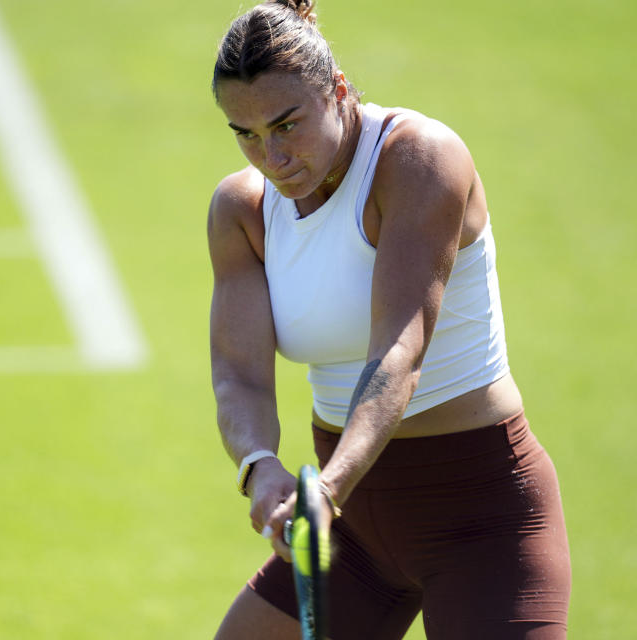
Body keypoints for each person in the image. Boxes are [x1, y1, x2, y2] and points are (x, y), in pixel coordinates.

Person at [206, 1, 572, 638]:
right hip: (350, 537)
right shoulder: (242, 209)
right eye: (246, 133)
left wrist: (331, 487)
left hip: (479, 521)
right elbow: (239, 374)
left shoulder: (417, 159)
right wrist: (260, 465)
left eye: (287, 125)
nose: (272, 155)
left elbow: (399, 352)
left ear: (339, 91)